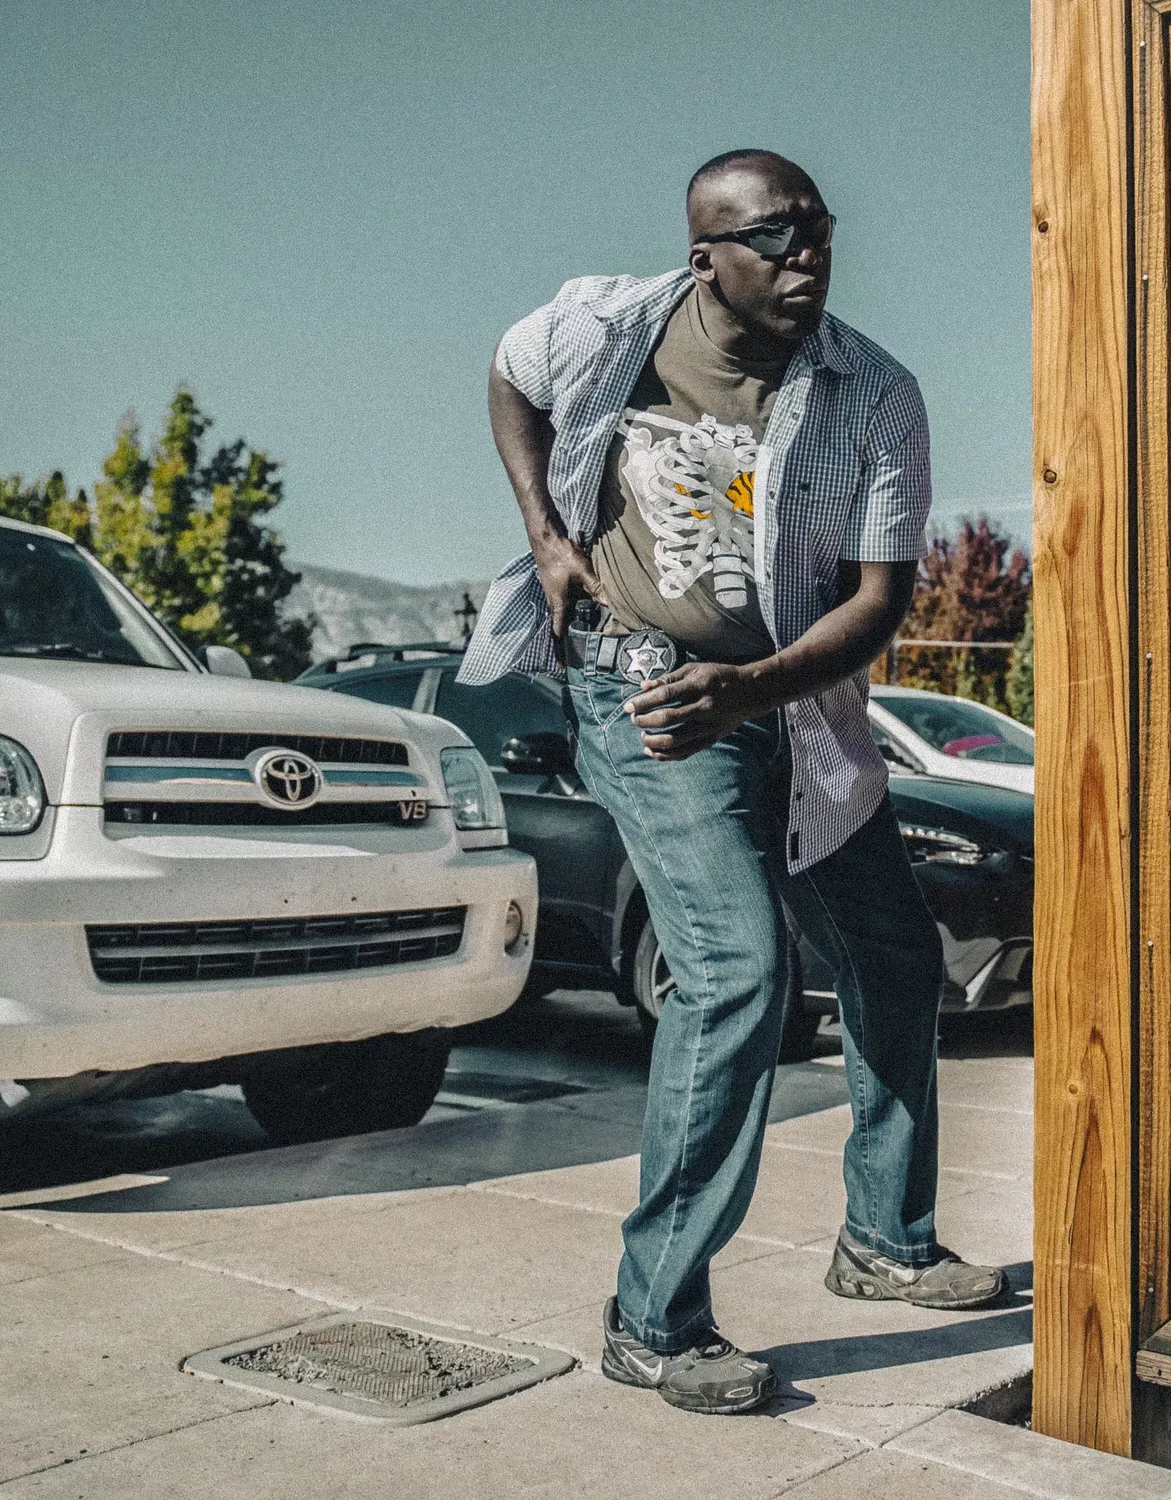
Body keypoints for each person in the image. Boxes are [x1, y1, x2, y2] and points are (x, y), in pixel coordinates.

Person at [462, 148, 1006, 1417]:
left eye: (819, 229)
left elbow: (878, 605)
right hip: (645, 697)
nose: (808, 254)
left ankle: (883, 1240)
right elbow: (510, 373)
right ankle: (653, 1317)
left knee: (893, 956)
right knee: (737, 969)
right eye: (775, 236)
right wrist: (546, 531)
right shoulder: (605, 323)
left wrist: (754, 691)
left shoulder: (874, 391)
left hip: (795, 707)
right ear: (706, 256)